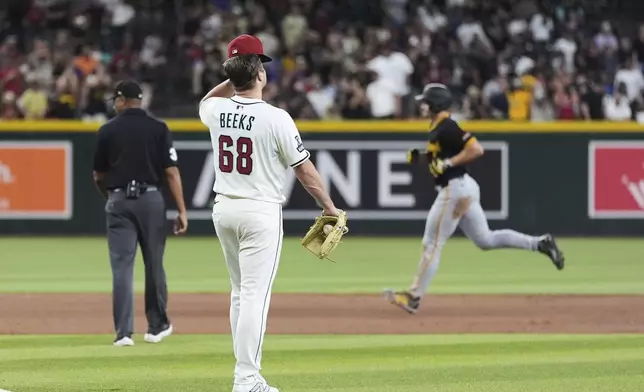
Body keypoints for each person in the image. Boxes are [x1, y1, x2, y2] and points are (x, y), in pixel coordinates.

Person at [198, 34, 340, 392]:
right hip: (259, 212)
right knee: (254, 297)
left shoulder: (216, 110)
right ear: (259, 73)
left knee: (239, 292)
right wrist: (329, 206)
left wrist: (234, 76)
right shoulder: (276, 118)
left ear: (232, 74)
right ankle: (247, 379)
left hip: (224, 209)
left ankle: (244, 374)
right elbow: (304, 170)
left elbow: (207, 99)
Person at [383, 83, 565, 315]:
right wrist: (422, 157)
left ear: (436, 104)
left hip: (455, 190)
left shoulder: (447, 126)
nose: (422, 105)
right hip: (464, 188)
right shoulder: (439, 126)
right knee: (485, 240)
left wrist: (448, 163)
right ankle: (539, 243)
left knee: (432, 244)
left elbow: (476, 149)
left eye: (426, 101)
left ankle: (413, 296)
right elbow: (442, 155)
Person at [92, 80, 188, 346]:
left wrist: (112, 197)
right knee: (153, 263)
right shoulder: (158, 128)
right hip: (151, 200)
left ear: (122, 99)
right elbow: (171, 172)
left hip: (118, 200)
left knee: (122, 268)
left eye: (116, 100)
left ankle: (123, 333)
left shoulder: (107, 130)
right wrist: (181, 210)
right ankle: (156, 327)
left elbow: (98, 175)